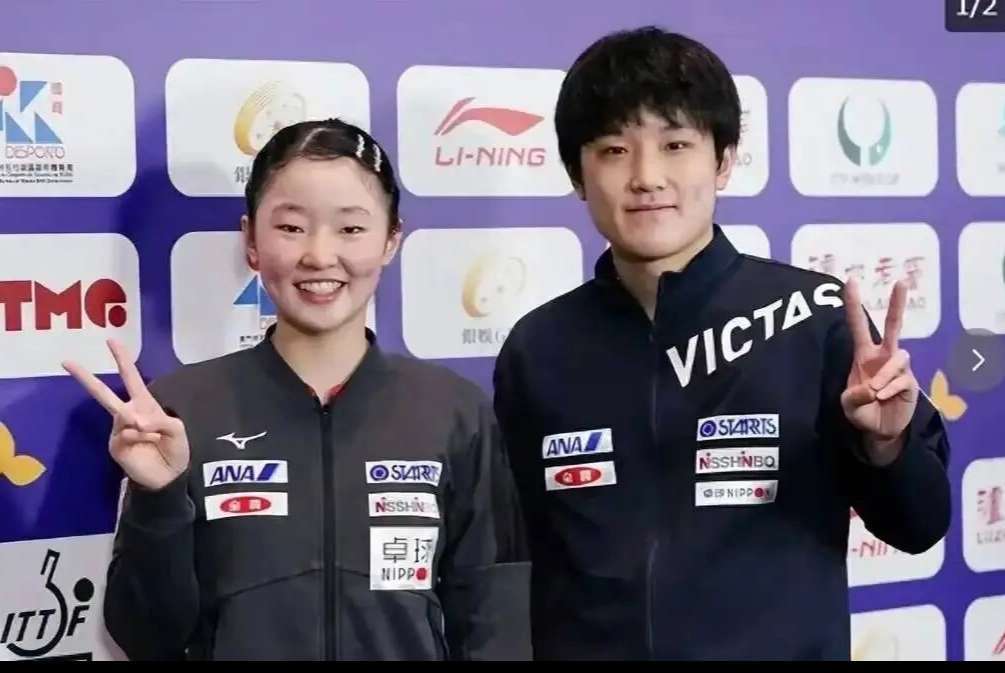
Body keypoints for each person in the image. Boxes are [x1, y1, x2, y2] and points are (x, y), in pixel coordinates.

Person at [492, 26, 951, 660]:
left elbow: (920, 526)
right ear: (578, 174)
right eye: (614, 150)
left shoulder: (812, 319)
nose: (647, 177)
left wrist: (886, 445)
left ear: (724, 161)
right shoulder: (537, 349)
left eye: (676, 144)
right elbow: (516, 562)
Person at [63, 118, 530, 661]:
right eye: (291, 227)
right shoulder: (179, 412)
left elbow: (497, 618)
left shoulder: (454, 411)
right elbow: (145, 636)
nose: (319, 255)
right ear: (251, 241)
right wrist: (158, 499)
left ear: (391, 240)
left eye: (350, 229)